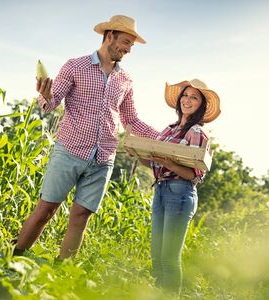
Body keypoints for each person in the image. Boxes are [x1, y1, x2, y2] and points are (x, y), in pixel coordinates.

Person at [13, 15, 159, 259]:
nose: (128, 50)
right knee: (46, 209)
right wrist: (45, 95)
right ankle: (13, 259)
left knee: (81, 216)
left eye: (131, 46)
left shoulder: (125, 80)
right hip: (69, 150)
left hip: (103, 158)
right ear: (109, 35)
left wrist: (165, 137)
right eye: (125, 42)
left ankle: (61, 273)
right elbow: (50, 103)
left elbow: (131, 120)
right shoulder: (75, 66)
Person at [135, 79, 220, 295]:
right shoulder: (169, 129)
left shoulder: (197, 132)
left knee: (169, 258)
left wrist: (168, 162)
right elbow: (155, 162)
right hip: (161, 190)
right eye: (185, 95)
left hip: (180, 193)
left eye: (194, 97)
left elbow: (195, 175)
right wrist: (138, 154)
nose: (187, 100)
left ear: (201, 105)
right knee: (156, 255)